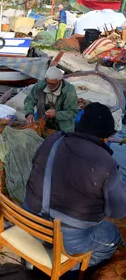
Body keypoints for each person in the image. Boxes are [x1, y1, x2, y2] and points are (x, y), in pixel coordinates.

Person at [24, 102, 125, 266]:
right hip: (66, 239)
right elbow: (117, 210)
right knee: (112, 236)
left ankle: (36, 258)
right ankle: (68, 268)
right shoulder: (108, 165)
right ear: (105, 137)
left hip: (30, 221)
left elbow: (35, 164)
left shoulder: (54, 139)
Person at [24, 66, 78, 132]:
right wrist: (29, 113)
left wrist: (56, 114)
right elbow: (29, 100)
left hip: (63, 128)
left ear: (60, 81)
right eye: (48, 82)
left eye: (53, 84)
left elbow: (73, 112)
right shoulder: (39, 86)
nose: (49, 85)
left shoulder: (69, 91)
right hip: (43, 123)